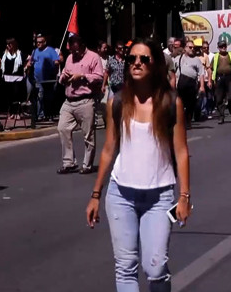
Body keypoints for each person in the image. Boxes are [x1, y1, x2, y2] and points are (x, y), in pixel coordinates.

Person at [85, 39, 191, 292]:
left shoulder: (170, 102)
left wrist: (184, 196)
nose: (136, 63)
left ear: (155, 64)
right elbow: (109, 148)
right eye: (132, 59)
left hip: (161, 197)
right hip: (120, 195)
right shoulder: (118, 102)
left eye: (144, 59)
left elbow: (182, 151)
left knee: (155, 268)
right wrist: (95, 194)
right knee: (125, 266)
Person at [57, 35, 104, 174]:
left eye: (76, 51)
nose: (73, 53)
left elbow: (99, 77)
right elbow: (63, 76)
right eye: (71, 51)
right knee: (63, 128)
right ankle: (69, 163)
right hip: (69, 101)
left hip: (86, 100)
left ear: (82, 46)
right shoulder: (69, 58)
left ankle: (87, 165)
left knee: (88, 134)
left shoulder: (94, 57)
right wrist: (64, 78)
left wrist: (82, 76)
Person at [27, 34, 60, 120]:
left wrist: (55, 68)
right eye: (37, 42)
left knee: (48, 97)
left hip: (48, 79)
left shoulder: (51, 51)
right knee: (39, 96)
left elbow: (56, 61)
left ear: (44, 42)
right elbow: (31, 61)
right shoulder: (35, 51)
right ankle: (40, 115)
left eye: (40, 42)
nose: (38, 44)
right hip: (37, 79)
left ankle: (48, 114)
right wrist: (29, 64)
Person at [211, 40, 231, 124]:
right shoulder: (216, 56)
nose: (223, 47)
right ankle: (221, 116)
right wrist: (211, 80)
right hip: (219, 78)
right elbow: (211, 69)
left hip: (230, 78)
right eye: (221, 46)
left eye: (224, 46)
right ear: (218, 48)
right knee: (219, 98)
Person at [0, 38, 25, 118]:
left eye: (10, 44)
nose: (8, 46)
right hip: (7, 78)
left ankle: (17, 112)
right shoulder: (4, 54)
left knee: (17, 96)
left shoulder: (20, 54)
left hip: (17, 78)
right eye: (7, 44)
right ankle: (11, 112)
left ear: (14, 44)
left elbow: (29, 59)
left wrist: (26, 67)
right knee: (9, 97)